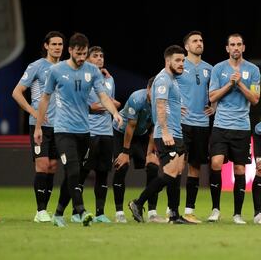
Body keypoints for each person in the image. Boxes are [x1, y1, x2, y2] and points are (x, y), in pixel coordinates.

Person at [34, 33, 122, 227]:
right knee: (72, 168)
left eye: (84, 53)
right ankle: (81, 210)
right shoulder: (56, 71)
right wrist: (38, 126)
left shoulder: (93, 71)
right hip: (63, 129)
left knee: (72, 174)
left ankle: (58, 214)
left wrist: (114, 113)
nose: (82, 57)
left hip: (84, 131)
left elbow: (103, 96)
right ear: (71, 51)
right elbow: (45, 99)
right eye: (79, 53)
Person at [128, 45, 192, 224]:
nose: (181, 64)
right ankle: (138, 202)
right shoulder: (163, 79)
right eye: (178, 60)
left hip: (175, 131)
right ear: (168, 61)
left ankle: (174, 215)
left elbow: (166, 103)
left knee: (176, 173)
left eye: (183, 61)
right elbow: (160, 105)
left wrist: (177, 109)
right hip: (167, 133)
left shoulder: (172, 80)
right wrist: (164, 131)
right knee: (170, 172)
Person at [207, 33, 260, 224]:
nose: (236, 47)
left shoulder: (253, 70)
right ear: (227, 48)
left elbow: (255, 99)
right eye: (232, 45)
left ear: (243, 48)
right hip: (221, 125)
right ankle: (215, 209)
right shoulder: (218, 69)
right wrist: (230, 84)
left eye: (239, 44)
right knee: (216, 164)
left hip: (242, 127)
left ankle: (237, 214)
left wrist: (240, 83)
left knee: (239, 169)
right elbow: (212, 97)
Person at [12, 31, 64, 223]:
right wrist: (34, 114)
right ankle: (39, 210)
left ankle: (45, 210)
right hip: (39, 125)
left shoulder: (65, 68)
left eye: (60, 44)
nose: (58, 47)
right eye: (54, 44)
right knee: (41, 165)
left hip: (59, 126)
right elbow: (17, 92)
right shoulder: (36, 66)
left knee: (52, 166)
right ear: (46, 46)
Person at [70, 46, 121, 223]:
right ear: (88, 59)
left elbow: (111, 103)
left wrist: (107, 105)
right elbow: (90, 106)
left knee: (103, 174)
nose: (99, 58)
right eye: (95, 56)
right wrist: (107, 105)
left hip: (107, 133)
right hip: (89, 132)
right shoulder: (85, 78)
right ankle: (76, 211)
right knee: (82, 173)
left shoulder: (109, 79)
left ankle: (100, 213)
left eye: (101, 55)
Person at [170, 31, 214, 223]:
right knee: (177, 166)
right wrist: (174, 105)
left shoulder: (209, 69)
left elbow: (215, 92)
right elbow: (164, 86)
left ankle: (189, 210)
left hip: (202, 123)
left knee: (195, 167)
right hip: (182, 123)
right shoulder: (179, 64)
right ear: (187, 46)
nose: (199, 43)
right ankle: (172, 209)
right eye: (195, 41)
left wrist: (214, 106)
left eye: (201, 40)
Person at [112, 76, 166, 223]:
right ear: (148, 89)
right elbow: (130, 126)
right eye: (153, 90)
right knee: (121, 167)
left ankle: (152, 213)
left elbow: (154, 128)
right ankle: (119, 213)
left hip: (142, 134)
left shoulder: (161, 102)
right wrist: (125, 152)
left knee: (153, 167)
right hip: (122, 133)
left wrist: (150, 153)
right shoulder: (137, 99)